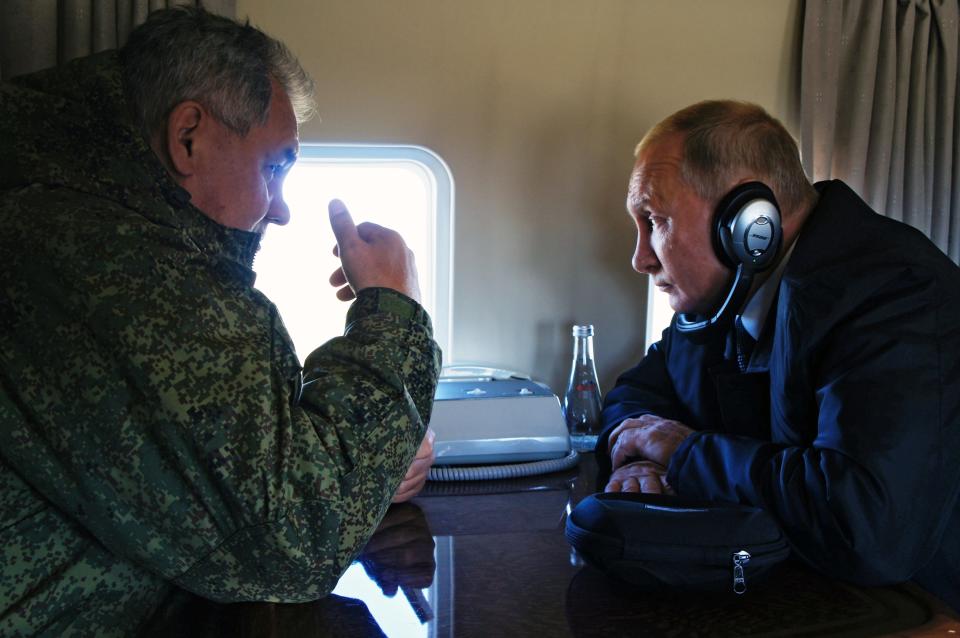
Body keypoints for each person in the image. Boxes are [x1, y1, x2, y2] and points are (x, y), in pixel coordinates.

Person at [0, 6, 441, 634]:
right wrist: (396, 310)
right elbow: (296, 543)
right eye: (276, 166)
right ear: (189, 137)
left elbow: (261, 458)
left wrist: (376, 452)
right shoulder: (105, 264)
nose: (281, 209)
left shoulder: (87, 213)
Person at [597, 100, 960, 610]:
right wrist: (636, 452)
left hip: (918, 604)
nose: (641, 257)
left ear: (749, 220)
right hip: (800, 582)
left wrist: (682, 454)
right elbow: (642, 390)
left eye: (655, 220)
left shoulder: (892, 293)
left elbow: (864, 523)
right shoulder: (724, 300)